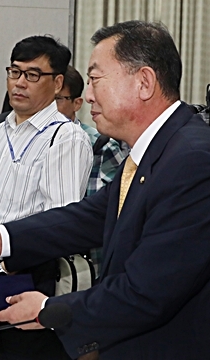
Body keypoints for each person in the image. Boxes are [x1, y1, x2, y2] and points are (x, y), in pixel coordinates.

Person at [0, 20, 210, 359]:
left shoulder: (195, 161)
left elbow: (147, 292)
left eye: (95, 79)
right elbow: (90, 216)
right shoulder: (157, 150)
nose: (86, 95)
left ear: (143, 82)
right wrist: (3, 238)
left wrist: (47, 309)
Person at [0, 35, 92, 360]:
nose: (19, 83)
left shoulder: (66, 138)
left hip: (29, 281)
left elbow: (60, 227)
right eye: (14, 72)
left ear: (58, 83)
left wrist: (2, 270)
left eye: (32, 75)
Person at [55, 65, 128, 274]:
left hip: (87, 267)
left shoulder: (100, 145)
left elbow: (108, 213)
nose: (49, 107)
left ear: (77, 103)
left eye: (58, 100)